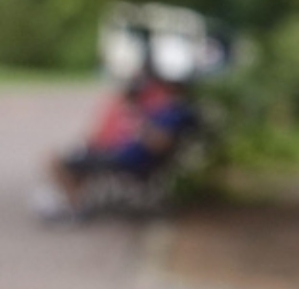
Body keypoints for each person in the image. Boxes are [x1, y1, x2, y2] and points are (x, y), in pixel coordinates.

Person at [36, 48, 196, 220]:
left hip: (127, 162)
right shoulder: (164, 109)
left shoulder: (173, 112)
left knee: (55, 160)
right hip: (121, 155)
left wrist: (139, 126)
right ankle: (75, 201)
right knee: (69, 155)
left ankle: (76, 208)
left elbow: (160, 143)